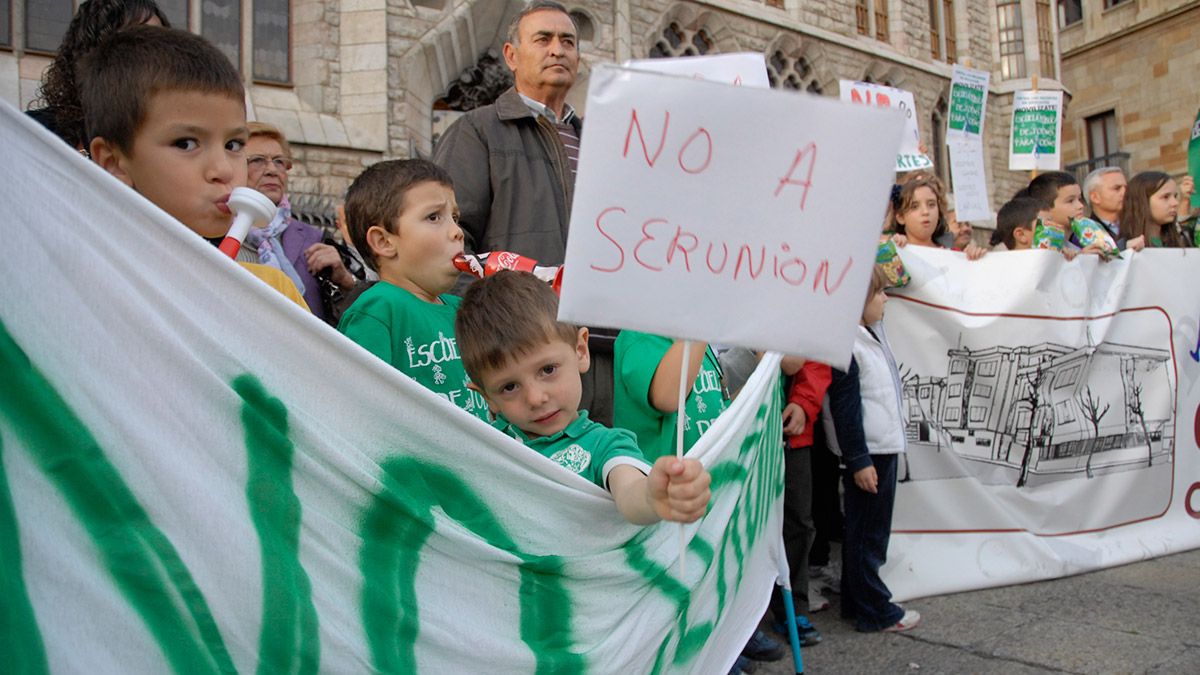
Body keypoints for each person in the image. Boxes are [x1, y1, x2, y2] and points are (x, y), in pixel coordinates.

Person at [432, 1, 617, 428]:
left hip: (606, 354)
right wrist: (494, 344)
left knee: (610, 474)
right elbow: (453, 248)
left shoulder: (604, 141)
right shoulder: (477, 132)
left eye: (568, 41)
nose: (558, 49)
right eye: (544, 39)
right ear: (512, 55)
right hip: (525, 361)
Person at [454, 270, 711, 525]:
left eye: (547, 370)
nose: (535, 398)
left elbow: (630, 490)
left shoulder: (603, 445)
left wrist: (653, 496)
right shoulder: (482, 444)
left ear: (580, 350)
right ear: (487, 397)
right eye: (509, 387)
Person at [78, 25, 307, 309]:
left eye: (234, 145)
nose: (224, 170)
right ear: (114, 162)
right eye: (186, 143)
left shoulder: (274, 293)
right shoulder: (81, 292)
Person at [612, 330, 785, 669]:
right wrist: (700, 323)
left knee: (718, 573)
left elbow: (717, 408)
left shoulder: (696, 344)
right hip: (668, 501)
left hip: (709, 488)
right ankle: (709, 656)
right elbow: (667, 395)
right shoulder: (639, 338)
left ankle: (733, 640)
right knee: (684, 589)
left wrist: (755, 400)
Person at [337, 159, 489, 421]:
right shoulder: (378, 309)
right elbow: (359, 410)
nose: (457, 232)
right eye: (434, 217)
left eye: (455, 218)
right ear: (384, 241)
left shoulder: (459, 309)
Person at [824, 265, 921, 634]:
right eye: (878, 293)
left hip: (880, 448)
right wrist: (859, 460)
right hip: (870, 454)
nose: (885, 299)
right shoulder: (849, 346)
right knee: (868, 534)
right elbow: (846, 411)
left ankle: (857, 600)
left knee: (868, 530)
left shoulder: (870, 336)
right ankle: (873, 610)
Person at [243, 122, 356, 324]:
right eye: (258, 160)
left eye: (279, 162)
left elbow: (352, 315)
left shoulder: (314, 238)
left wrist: (344, 279)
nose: (272, 170)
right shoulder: (221, 233)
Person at [31, 0, 169, 152]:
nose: (151, 53)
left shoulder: (178, 134)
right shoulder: (36, 132)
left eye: (160, 41)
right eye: (134, 40)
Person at [769, 361, 833, 645]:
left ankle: (792, 608)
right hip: (744, 420)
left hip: (790, 431)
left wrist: (804, 403)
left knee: (798, 522)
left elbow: (816, 356)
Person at [887, 173, 986, 260]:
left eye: (931, 204)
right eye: (915, 206)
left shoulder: (954, 254)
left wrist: (972, 260)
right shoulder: (893, 253)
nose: (925, 212)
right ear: (900, 217)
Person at [1121, 171, 1190, 249]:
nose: (1175, 203)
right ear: (1143, 201)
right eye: (1165, 197)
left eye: (1175, 196)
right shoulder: (1121, 247)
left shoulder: (1181, 241)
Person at [1082, 167, 1127, 241]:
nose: (1125, 192)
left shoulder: (1137, 224)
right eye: (1117, 188)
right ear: (1095, 197)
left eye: (1126, 188)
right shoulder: (1085, 234)